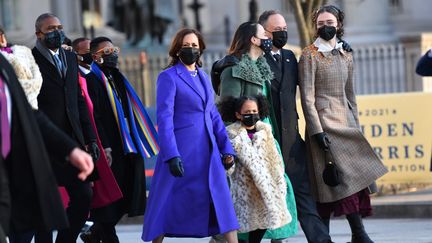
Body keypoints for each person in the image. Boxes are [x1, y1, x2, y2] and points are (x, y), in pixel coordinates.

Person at [298, 5, 388, 243]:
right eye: (320, 24)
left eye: (330, 22)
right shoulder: (309, 54)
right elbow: (307, 98)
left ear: (338, 24)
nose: (325, 27)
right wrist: (316, 131)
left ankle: (352, 234)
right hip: (325, 125)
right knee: (333, 180)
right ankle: (355, 234)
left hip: (347, 125)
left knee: (352, 178)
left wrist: (356, 126)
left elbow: (351, 95)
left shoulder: (346, 53)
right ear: (315, 27)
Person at [142, 28, 239, 243]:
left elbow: (213, 115)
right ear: (177, 50)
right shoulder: (168, 77)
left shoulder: (204, 77)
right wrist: (171, 154)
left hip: (209, 151)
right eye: (186, 46)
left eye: (195, 46)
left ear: (201, 49)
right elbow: (164, 118)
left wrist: (226, 148)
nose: (191, 49)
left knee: (221, 200)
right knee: (166, 202)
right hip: (181, 150)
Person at [214, 21, 298, 243]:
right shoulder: (233, 68)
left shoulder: (261, 65)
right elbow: (228, 110)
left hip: (266, 137)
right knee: (249, 198)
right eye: (264, 34)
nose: (268, 37)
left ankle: (276, 238)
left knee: (278, 190)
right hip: (246, 142)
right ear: (253, 39)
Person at [0, 50, 94, 243]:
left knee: (22, 231)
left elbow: (27, 113)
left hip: (12, 171)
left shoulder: (4, 64)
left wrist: (70, 149)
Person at [257, 10, 335, 243]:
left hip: (292, 144)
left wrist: (336, 48)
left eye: (284, 29)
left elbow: (314, 79)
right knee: (265, 200)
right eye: (276, 30)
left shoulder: (291, 57)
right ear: (264, 33)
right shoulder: (255, 60)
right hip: (267, 142)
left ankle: (322, 241)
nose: (282, 33)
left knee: (304, 199)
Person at [31, 13, 100, 243]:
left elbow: (78, 102)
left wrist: (90, 139)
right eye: (51, 28)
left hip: (72, 141)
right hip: (44, 144)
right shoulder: (30, 61)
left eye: (59, 27)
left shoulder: (70, 59)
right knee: (44, 205)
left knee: (83, 195)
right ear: (39, 34)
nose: (57, 32)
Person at [84, 36, 158, 242]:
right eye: (106, 52)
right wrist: (105, 146)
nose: (113, 55)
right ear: (95, 57)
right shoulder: (92, 80)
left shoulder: (117, 77)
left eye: (114, 50)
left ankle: (96, 231)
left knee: (128, 193)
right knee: (111, 199)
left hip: (128, 144)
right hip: (110, 147)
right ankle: (102, 231)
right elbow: (95, 115)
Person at [218, 95, 291, 243]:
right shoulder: (231, 135)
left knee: (262, 225)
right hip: (245, 192)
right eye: (247, 112)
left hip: (267, 190)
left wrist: (279, 183)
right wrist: (228, 162)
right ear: (238, 114)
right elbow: (228, 170)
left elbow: (275, 161)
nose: (251, 115)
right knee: (244, 231)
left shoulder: (266, 132)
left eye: (254, 111)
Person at [0, 26, 42, 110]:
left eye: (2, 34)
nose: (2, 38)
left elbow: (37, 76)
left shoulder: (22, 51)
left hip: (33, 105)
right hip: (12, 106)